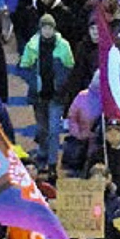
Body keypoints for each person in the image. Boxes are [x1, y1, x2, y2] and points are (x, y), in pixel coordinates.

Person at [21, 14, 75, 169]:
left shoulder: (63, 45)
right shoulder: (32, 45)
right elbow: (24, 67)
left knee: (53, 129)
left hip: (56, 96)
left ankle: (52, 162)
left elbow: (69, 68)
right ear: (40, 29)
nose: (47, 31)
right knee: (41, 128)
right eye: (44, 27)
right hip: (38, 96)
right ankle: (43, 153)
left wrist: (61, 86)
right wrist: (33, 83)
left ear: (54, 28)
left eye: (50, 27)